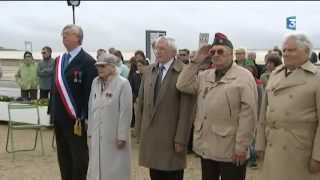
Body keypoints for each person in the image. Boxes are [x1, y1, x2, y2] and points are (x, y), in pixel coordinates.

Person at [176, 32, 258, 180]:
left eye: (221, 51)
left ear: (231, 54)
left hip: (230, 148)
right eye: (212, 52)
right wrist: (196, 61)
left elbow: (249, 114)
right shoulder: (205, 75)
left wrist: (242, 146)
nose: (215, 54)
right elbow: (182, 85)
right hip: (207, 146)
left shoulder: (244, 77)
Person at [256, 33, 320, 180]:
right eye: (284, 50)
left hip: (299, 152)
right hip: (273, 147)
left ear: (306, 51)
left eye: (291, 50)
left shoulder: (316, 78)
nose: (286, 54)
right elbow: (263, 114)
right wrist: (260, 144)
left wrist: (318, 157)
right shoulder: (275, 74)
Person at [135, 36, 193, 180]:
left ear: (173, 52)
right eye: (156, 48)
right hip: (152, 138)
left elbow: (187, 111)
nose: (157, 52)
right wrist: (139, 130)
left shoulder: (184, 72)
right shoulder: (149, 71)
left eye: (162, 49)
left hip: (171, 138)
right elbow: (141, 102)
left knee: (172, 174)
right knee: (155, 175)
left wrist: (181, 139)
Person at [48, 24, 97, 180]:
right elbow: (54, 88)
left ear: (78, 38)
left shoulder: (88, 61)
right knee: (63, 154)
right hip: (59, 116)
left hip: (76, 118)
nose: (64, 36)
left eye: (68, 34)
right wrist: (52, 112)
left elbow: (89, 92)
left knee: (79, 155)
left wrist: (86, 116)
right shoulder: (59, 60)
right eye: (63, 34)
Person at [87, 53, 132, 180]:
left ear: (112, 67)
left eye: (103, 66)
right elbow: (91, 106)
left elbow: (126, 111)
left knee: (115, 170)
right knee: (97, 168)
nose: (99, 69)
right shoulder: (95, 82)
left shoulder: (123, 84)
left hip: (114, 135)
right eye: (98, 66)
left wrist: (122, 135)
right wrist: (90, 130)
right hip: (97, 132)